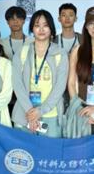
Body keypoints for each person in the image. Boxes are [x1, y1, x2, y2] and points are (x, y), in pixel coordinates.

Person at [12, 10, 68, 138]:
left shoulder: (60, 53)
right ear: (32, 28)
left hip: (51, 114)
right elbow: (17, 84)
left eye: (45, 25)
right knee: (24, 150)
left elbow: (60, 86)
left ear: (51, 28)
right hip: (24, 113)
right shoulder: (22, 52)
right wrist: (30, 112)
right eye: (37, 25)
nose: (41, 29)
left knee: (50, 150)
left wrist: (40, 111)